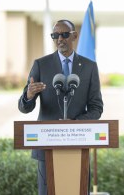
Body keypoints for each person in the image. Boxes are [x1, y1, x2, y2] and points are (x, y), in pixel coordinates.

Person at [18, 19, 103, 195]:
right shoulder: (41, 65)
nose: (60, 39)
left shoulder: (89, 67)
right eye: (55, 35)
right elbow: (24, 108)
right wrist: (29, 96)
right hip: (47, 147)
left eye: (64, 34)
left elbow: (96, 107)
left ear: (74, 36)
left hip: (78, 146)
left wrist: (74, 125)